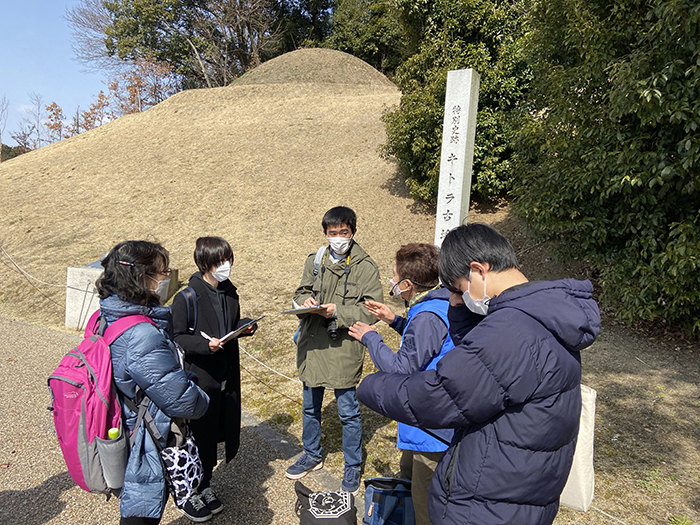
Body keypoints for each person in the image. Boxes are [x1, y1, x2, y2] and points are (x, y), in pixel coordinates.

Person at [356, 223, 601, 525]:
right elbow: (488, 373)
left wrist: (370, 384)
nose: (457, 297)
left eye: (459, 288)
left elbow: (437, 397)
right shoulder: (542, 316)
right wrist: (459, 317)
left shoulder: (510, 330)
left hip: (489, 501)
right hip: (525, 484)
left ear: (479, 271)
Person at [348, 243, 481, 525]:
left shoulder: (428, 316)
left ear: (408, 284)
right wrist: (395, 320)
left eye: (394, 276)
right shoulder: (441, 303)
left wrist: (371, 337)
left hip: (432, 428)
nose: (390, 281)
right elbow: (429, 345)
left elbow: (401, 369)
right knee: (412, 481)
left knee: (426, 506)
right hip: (434, 419)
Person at [95, 240, 209, 525]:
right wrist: (200, 393)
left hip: (122, 421)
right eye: (160, 272)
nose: (165, 278)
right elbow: (183, 401)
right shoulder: (142, 334)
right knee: (141, 510)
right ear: (140, 277)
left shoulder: (108, 314)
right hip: (143, 437)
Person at [285, 206, 384, 495]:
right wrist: (305, 302)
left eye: (344, 232)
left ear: (353, 232)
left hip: (344, 345)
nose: (338, 238)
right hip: (313, 343)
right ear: (325, 233)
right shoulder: (315, 260)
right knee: (309, 405)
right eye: (333, 233)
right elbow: (301, 291)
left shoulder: (366, 266)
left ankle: (352, 465)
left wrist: (337, 311)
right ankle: (312, 454)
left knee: (348, 411)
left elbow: (371, 310)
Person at [172, 236, 257, 521]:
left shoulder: (230, 292)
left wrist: (244, 328)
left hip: (226, 375)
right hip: (199, 377)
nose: (226, 266)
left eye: (228, 260)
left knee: (216, 433)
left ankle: (205, 483)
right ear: (205, 263)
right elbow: (178, 336)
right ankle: (191, 491)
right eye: (220, 261)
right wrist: (203, 346)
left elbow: (230, 326)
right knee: (198, 436)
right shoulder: (186, 297)